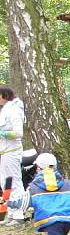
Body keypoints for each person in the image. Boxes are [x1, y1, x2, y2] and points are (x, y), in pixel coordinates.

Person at [0, 85, 25, 225]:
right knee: (5, 183)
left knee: (14, 182)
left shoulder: (14, 109)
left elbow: (18, 133)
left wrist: (1, 133)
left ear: (4, 95)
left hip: (12, 151)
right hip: (4, 152)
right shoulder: (5, 110)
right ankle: (10, 212)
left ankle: (18, 214)